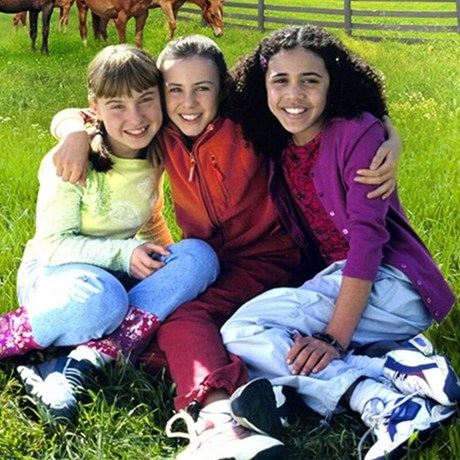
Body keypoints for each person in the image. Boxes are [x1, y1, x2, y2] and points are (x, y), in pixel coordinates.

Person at [47, 35, 401, 460]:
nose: (188, 103)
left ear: (224, 90)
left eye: (203, 88)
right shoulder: (162, 132)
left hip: (270, 258)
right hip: (210, 263)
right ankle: (271, 394)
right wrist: (74, 131)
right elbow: (96, 111)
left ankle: (218, 418)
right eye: (175, 90)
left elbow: (327, 109)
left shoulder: (250, 124)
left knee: (184, 321)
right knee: (156, 338)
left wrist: (389, 134)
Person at [220, 25, 459, 460]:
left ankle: (378, 394)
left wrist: (334, 338)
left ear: (334, 83)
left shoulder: (354, 132)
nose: (294, 95)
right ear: (262, 86)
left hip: (391, 282)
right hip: (355, 290)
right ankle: (402, 362)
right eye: (280, 80)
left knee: (243, 332)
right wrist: (88, 127)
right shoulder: (279, 144)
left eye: (310, 80)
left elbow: (367, 242)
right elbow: (193, 109)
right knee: (278, 341)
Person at [0, 44, 219, 421]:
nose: (136, 117)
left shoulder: (154, 152)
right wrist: (73, 132)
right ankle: (9, 337)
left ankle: (89, 356)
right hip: (60, 278)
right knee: (103, 301)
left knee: (200, 256)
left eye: (146, 99)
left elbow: (149, 218)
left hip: (116, 275)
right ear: (95, 108)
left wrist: (169, 273)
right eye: (117, 106)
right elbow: (52, 245)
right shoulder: (72, 161)